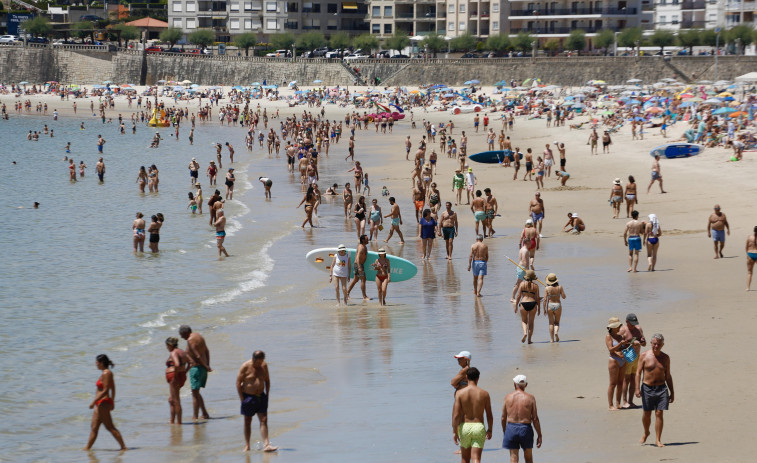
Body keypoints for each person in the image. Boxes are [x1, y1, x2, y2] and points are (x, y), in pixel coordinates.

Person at [635, 333, 674, 447]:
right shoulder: (644, 355)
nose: (656, 346)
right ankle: (646, 432)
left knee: (659, 413)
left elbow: (668, 375)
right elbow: (638, 372)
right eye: (654, 344)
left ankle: (658, 439)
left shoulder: (665, 358)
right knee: (647, 413)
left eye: (659, 344)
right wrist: (637, 388)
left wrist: (672, 391)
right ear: (651, 343)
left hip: (662, 388)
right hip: (647, 388)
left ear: (663, 345)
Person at [237, 351, 278, 452]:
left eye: (262, 361)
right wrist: (242, 399)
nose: (260, 364)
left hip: (261, 397)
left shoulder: (264, 366)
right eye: (258, 362)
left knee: (264, 420)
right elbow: (238, 383)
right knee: (247, 421)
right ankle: (247, 446)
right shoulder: (245, 366)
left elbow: (267, 380)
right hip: (248, 397)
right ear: (253, 359)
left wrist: (267, 394)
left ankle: (266, 444)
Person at [84, 354, 127, 451]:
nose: (96, 364)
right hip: (100, 403)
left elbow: (106, 390)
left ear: (102, 363)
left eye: (97, 362)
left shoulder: (106, 373)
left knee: (110, 427)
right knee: (94, 428)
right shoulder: (105, 373)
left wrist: (93, 401)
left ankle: (123, 447)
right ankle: (87, 449)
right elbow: (113, 387)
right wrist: (113, 400)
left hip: (103, 403)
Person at [452, 367, 493, 463]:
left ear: (466, 377)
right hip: (478, 427)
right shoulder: (484, 394)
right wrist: (490, 429)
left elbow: (456, 415)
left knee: (465, 459)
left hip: (465, 427)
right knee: (476, 458)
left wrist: (454, 431)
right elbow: (489, 415)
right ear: (478, 378)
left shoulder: (460, 393)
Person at [502, 375, 542, 463]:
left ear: (514, 384)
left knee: (513, 457)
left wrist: (505, 431)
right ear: (526, 385)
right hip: (525, 428)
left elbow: (503, 418)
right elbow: (535, 418)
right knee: (528, 457)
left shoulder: (507, 397)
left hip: (511, 428)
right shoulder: (530, 398)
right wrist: (539, 434)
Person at [179, 325, 212, 420]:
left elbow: (197, 356)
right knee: (196, 392)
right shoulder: (199, 336)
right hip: (202, 368)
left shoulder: (190, 340)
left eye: (181, 335)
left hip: (196, 369)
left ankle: (195, 416)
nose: (181, 337)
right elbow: (207, 351)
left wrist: (207, 367)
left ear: (185, 333)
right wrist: (207, 365)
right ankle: (205, 413)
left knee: (194, 394)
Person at [620, 314, 646, 409]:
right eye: (631, 324)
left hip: (637, 356)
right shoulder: (623, 330)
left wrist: (642, 341)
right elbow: (619, 345)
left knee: (633, 379)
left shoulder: (638, 329)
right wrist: (631, 343)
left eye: (634, 324)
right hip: (627, 356)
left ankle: (631, 401)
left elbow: (644, 343)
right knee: (626, 379)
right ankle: (624, 401)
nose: (633, 326)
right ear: (627, 322)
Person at [606, 317, 630, 410]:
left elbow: (621, 349)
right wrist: (620, 344)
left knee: (620, 383)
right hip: (614, 360)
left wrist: (628, 344)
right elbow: (611, 349)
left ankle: (618, 403)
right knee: (613, 383)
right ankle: (610, 405)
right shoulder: (609, 336)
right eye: (618, 326)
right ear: (613, 327)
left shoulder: (621, 336)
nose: (619, 327)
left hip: (622, 360)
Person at [165, 337, 189, 424]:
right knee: (171, 399)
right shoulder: (182, 352)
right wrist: (185, 372)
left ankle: (179, 422)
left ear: (170, 345)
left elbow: (177, 364)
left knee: (176, 400)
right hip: (181, 375)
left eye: (167, 346)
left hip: (174, 377)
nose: (167, 348)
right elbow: (190, 362)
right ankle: (172, 421)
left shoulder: (174, 352)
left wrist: (175, 374)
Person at [515, 270, 540, 344]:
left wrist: (516, 305)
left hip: (523, 303)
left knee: (524, 321)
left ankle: (525, 333)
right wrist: (539, 309)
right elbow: (537, 298)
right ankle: (529, 340)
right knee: (531, 323)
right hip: (533, 303)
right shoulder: (536, 286)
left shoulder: (522, 284)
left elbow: (519, 296)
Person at [543, 273, 566, 343]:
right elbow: (564, 297)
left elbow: (545, 300)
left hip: (550, 305)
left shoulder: (547, 288)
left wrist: (544, 309)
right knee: (557, 322)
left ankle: (552, 339)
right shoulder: (560, 287)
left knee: (551, 323)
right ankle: (556, 332)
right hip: (558, 305)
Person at [347, 235, 371, 301]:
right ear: (363, 240)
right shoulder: (361, 247)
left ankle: (347, 293)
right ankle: (364, 296)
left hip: (359, 265)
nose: (368, 240)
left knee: (355, 280)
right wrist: (359, 267)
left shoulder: (364, 246)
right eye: (367, 239)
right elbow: (357, 257)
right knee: (363, 279)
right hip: (358, 265)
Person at [746, 226, 757, 290]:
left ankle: (748, 287)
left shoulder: (749, 237)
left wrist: (747, 254)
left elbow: (746, 246)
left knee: (749, 272)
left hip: (750, 254)